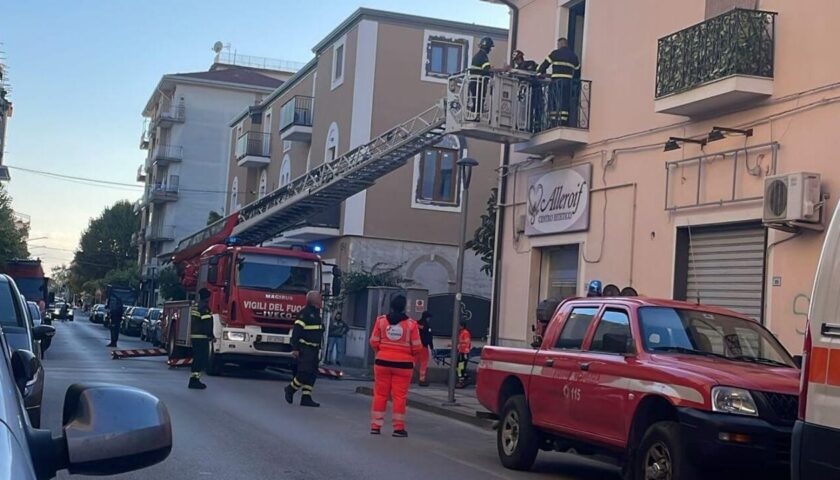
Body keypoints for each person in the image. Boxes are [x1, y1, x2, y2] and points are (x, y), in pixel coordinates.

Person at [369, 295, 421, 437]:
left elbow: (373, 341)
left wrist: (380, 352)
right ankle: (398, 428)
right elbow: (417, 347)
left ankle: (375, 426)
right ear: (404, 307)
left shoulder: (381, 321)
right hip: (403, 365)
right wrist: (411, 357)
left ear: (391, 306)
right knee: (399, 397)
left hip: (382, 362)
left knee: (380, 395)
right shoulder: (411, 324)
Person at [284, 291, 324, 407]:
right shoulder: (305, 313)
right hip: (305, 348)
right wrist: (295, 348)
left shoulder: (317, 314)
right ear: (313, 300)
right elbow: (296, 332)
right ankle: (290, 389)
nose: (321, 300)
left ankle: (306, 397)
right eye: (319, 298)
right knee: (304, 372)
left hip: (314, 349)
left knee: (312, 373)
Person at [537, 37, 580, 127]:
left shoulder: (555, 54)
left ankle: (553, 122)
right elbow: (577, 71)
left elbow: (545, 64)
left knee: (553, 102)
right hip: (568, 83)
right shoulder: (573, 56)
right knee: (565, 102)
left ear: (560, 44)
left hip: (556, 82)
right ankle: (563, 122)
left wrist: (539, 73)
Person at [188, 288, 214, 390]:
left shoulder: (196, 306)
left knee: (197, 358)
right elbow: (207, 324)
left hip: (195, 336)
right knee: (200, 359)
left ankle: (194, 379)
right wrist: (211, 335)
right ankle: (195, 380)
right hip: (201, 337)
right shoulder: (204, 308)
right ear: (207, 297)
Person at [467, 36, 496, 119]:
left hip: (475, 83)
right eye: (490, 47)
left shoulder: (479, 55)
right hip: (478, 84)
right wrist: (502, 69)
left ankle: (475, 116)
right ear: (487, 47)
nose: (490, 50)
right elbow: (488, 70)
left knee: (477, 102)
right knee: (478, 103)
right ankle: (476, 117)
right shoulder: (483, 56)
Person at [416, 312, 434, 387]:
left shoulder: (416, 324)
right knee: (423, 363)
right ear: (427, 318)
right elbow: (429, 337)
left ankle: (407, 377)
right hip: (423, 347)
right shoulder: (427, 326)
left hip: (415, 347)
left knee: (412, 362)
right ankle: (422, 380)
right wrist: (432, 347)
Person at [455, 318, 472, 389]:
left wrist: (458, 343)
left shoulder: (465, 333)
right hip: (461, 352)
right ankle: (463, 378)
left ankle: (462, 380)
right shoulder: (462, 332)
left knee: (460, 367)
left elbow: (466, 342)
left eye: (459, 325)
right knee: (459, 367)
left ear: (462, 326)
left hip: (464, 352)